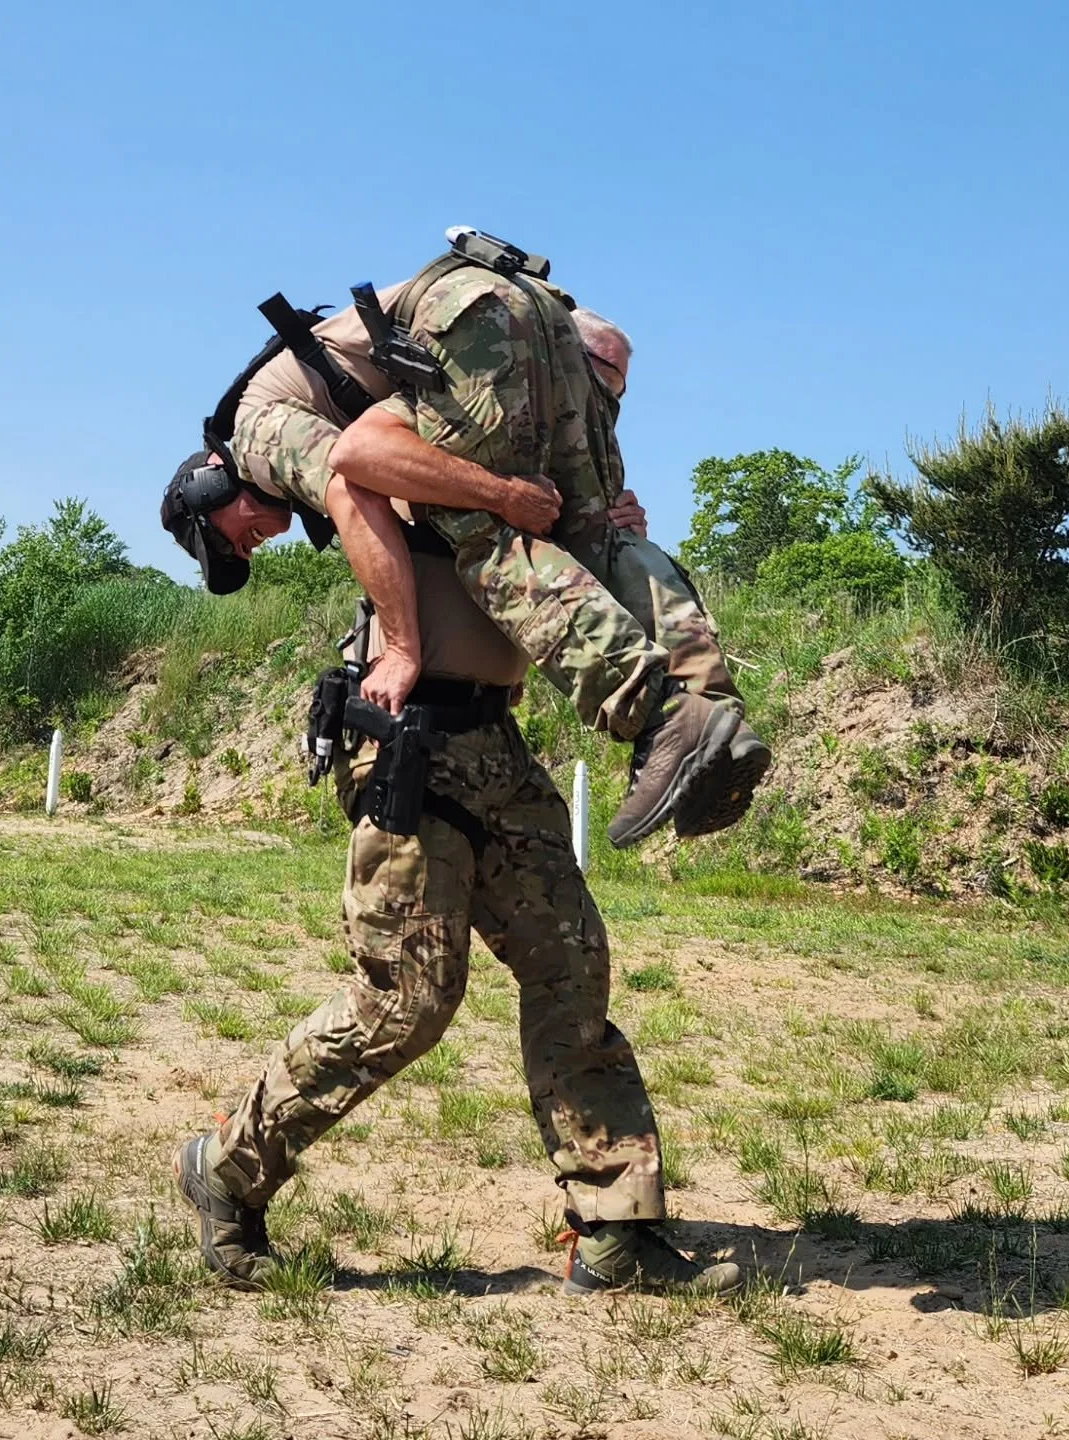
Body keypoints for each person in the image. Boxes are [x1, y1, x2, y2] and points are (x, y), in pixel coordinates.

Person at [168, 452, 742, 1297]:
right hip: (406, 741)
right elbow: (354, 463)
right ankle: (227, 1169)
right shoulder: (387, 463)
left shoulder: (481, 464)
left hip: (492, 745)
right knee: (408, 999)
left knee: (570, 962)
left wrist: (603, 533)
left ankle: (615, 1228)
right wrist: (512, 495)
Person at [163, 238, 769, 847]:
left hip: (469, 318)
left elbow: (354, 473)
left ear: (211, 482)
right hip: (538, 313)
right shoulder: (314, 383)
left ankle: (660, 718)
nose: (250, 548)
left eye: (229, 541)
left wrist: (402, 647)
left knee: (485, 533)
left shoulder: (256, 428)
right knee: (597, 532)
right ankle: (714, 711)